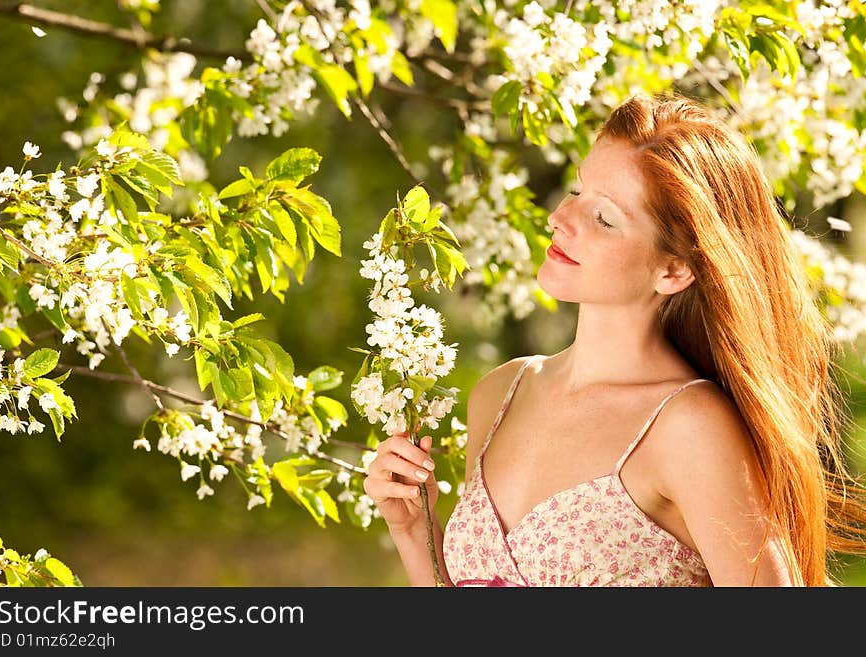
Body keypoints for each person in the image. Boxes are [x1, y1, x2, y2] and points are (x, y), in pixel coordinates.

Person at [363, 92, 866, 586]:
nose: (560, 219)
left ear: (673, 270)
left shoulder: (688, 427)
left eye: (604, 217)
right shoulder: (500, 395)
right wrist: (413, 530)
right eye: (577, 192)